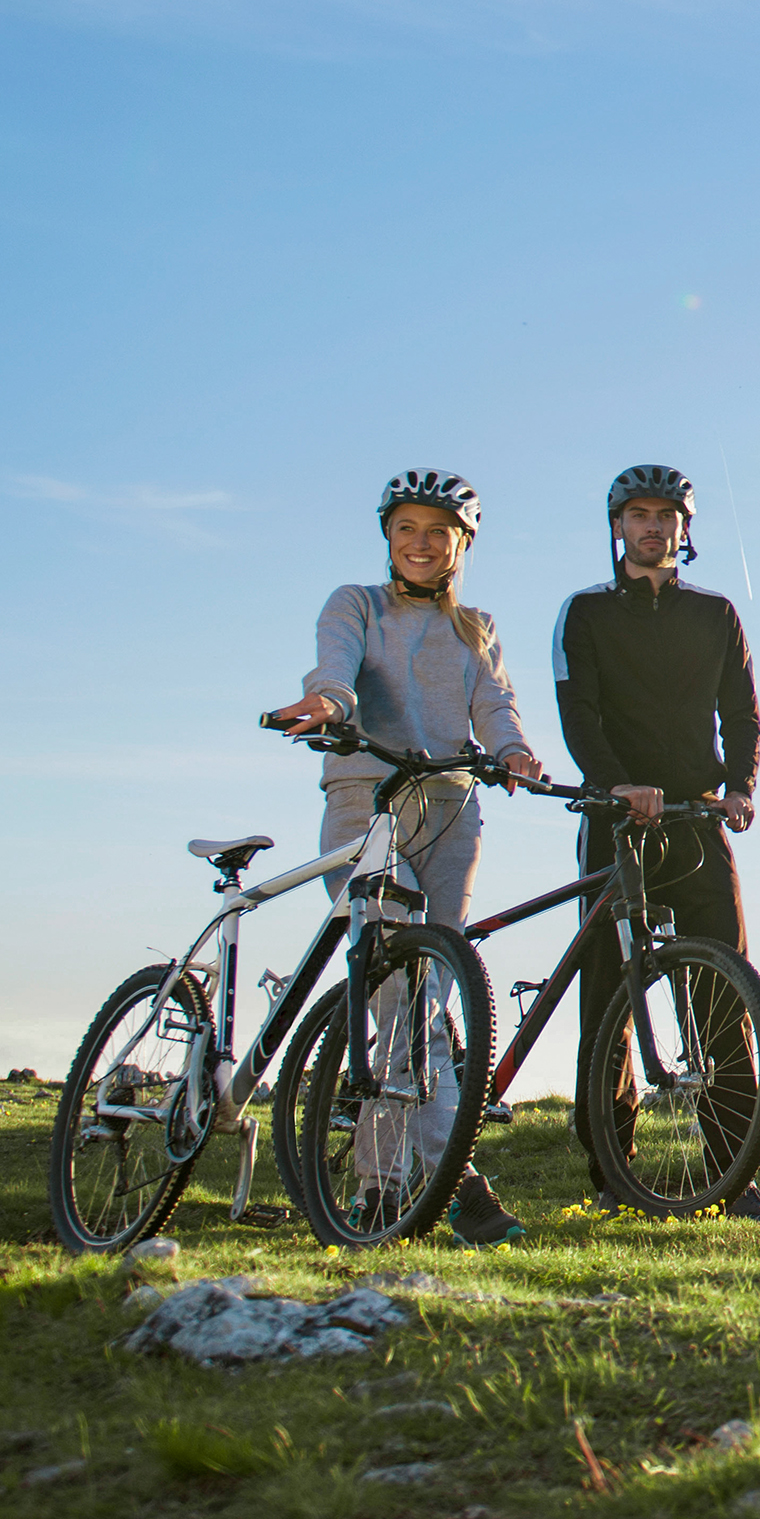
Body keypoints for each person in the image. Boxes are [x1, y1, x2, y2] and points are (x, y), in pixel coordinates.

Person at [264, 468, 544, 1247]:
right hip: (366, 800)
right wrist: (325, 703)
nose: (420, 544)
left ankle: (425, 1183)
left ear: (462, 545)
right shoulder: (354, 603)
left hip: (452, 810)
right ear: (388, 538)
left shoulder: (476, 625)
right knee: (398, 995)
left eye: (438, 532)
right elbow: (338, 666)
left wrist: (514, 751)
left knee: (428, 995)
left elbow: (495, 703)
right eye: (406, 530)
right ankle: (412, 1187)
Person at [550, 463, 760, 1214]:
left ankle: (733, 1177)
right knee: (608, 1000)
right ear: (616, 526)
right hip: (617, 826)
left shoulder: (715, 615)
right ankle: (613, 1175)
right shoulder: (585, 613)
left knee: (722, 997)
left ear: (685, 528)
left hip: (698, 821)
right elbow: (577, 710)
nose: (651, 526)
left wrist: (740, 786)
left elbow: (741, 711)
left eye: (666, 515)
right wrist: (613, 782)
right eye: (637, 514)